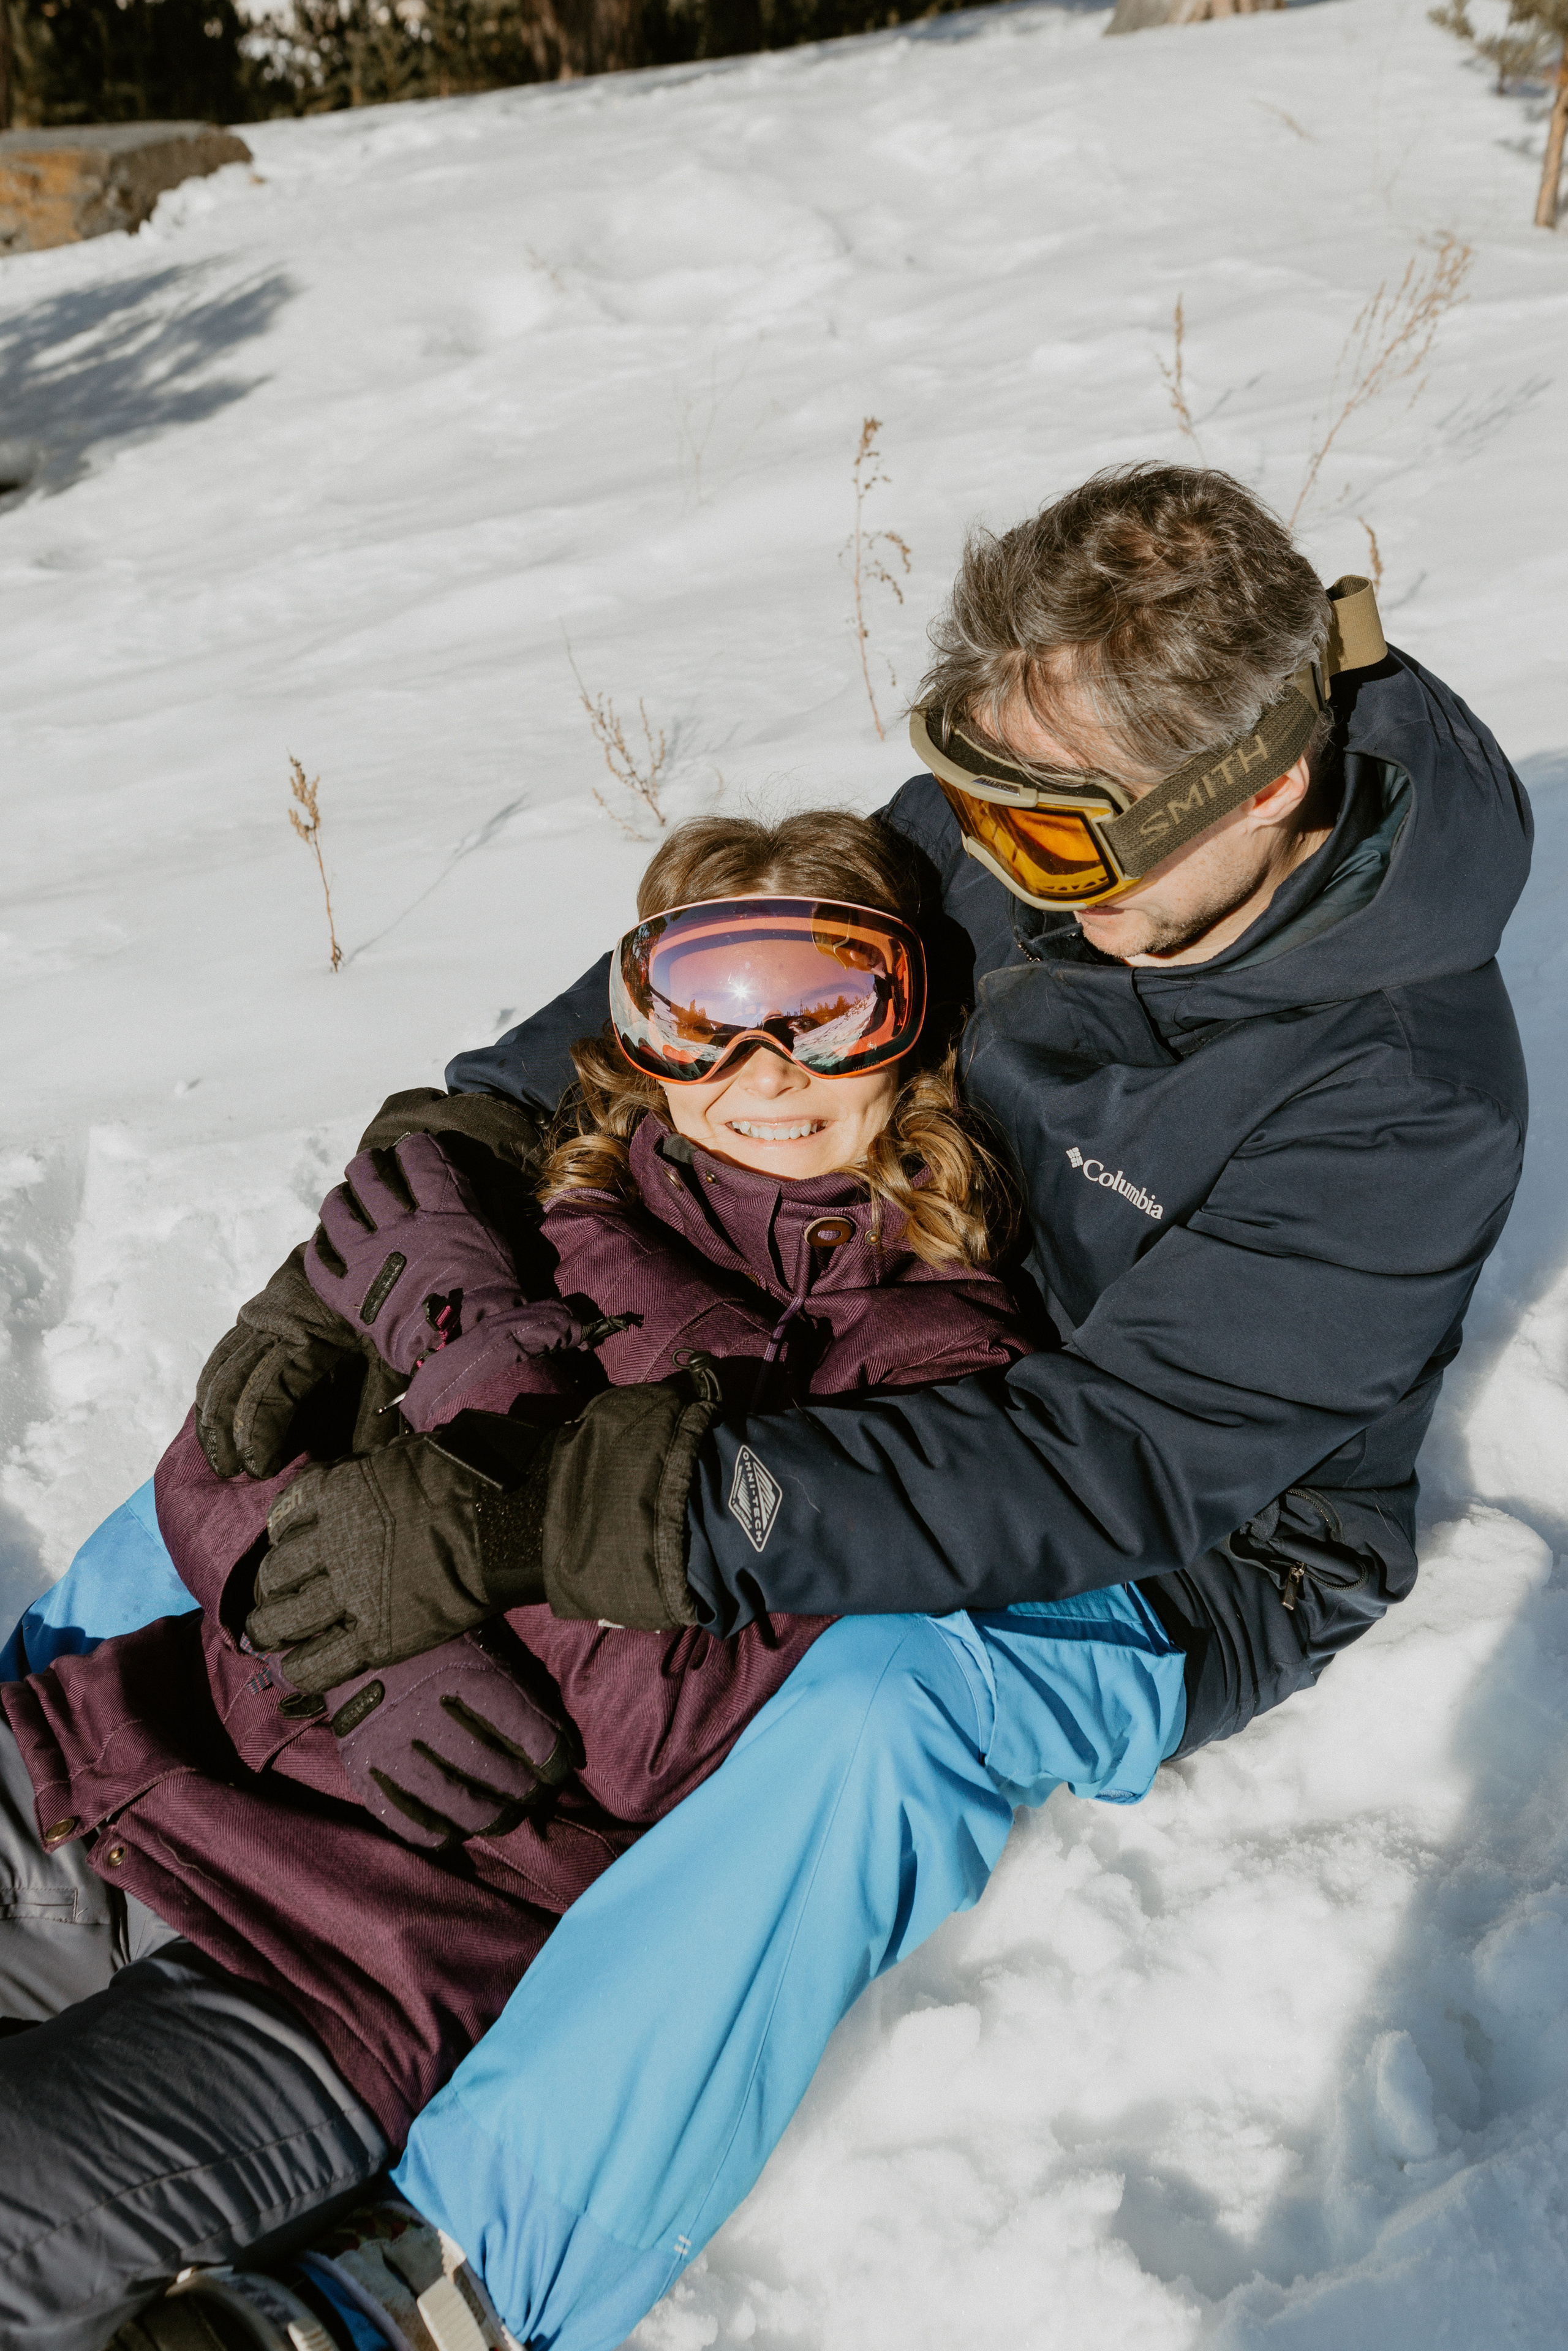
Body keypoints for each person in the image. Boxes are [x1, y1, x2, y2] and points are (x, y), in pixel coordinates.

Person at [3, 463, 1530, 2351]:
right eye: (972, 805)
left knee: (882, 1713)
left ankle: (445, 2266)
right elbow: (647, 1015)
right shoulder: (1033, 798)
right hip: (840, 1269)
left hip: (1177, 1521)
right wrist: (398, 1219)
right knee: (308, 1422)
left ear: (1266, 792)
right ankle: (65, 1758)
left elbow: (1109, 1458)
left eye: (1054, 852)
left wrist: (569, 1509)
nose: (991, 867)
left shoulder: (1403, 1093)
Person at [0, 813, 1186, 2351]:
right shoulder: (522, 1209)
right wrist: (372, 1653)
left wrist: (476, 1372)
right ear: (638, 1028)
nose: (761, 1069)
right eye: (701, 1009)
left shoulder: (927, 1367)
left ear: (916, 1031)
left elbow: (647, 1733)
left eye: (825, 1008)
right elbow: (215, 1467)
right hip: (113, 1769)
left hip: (343, 1959)